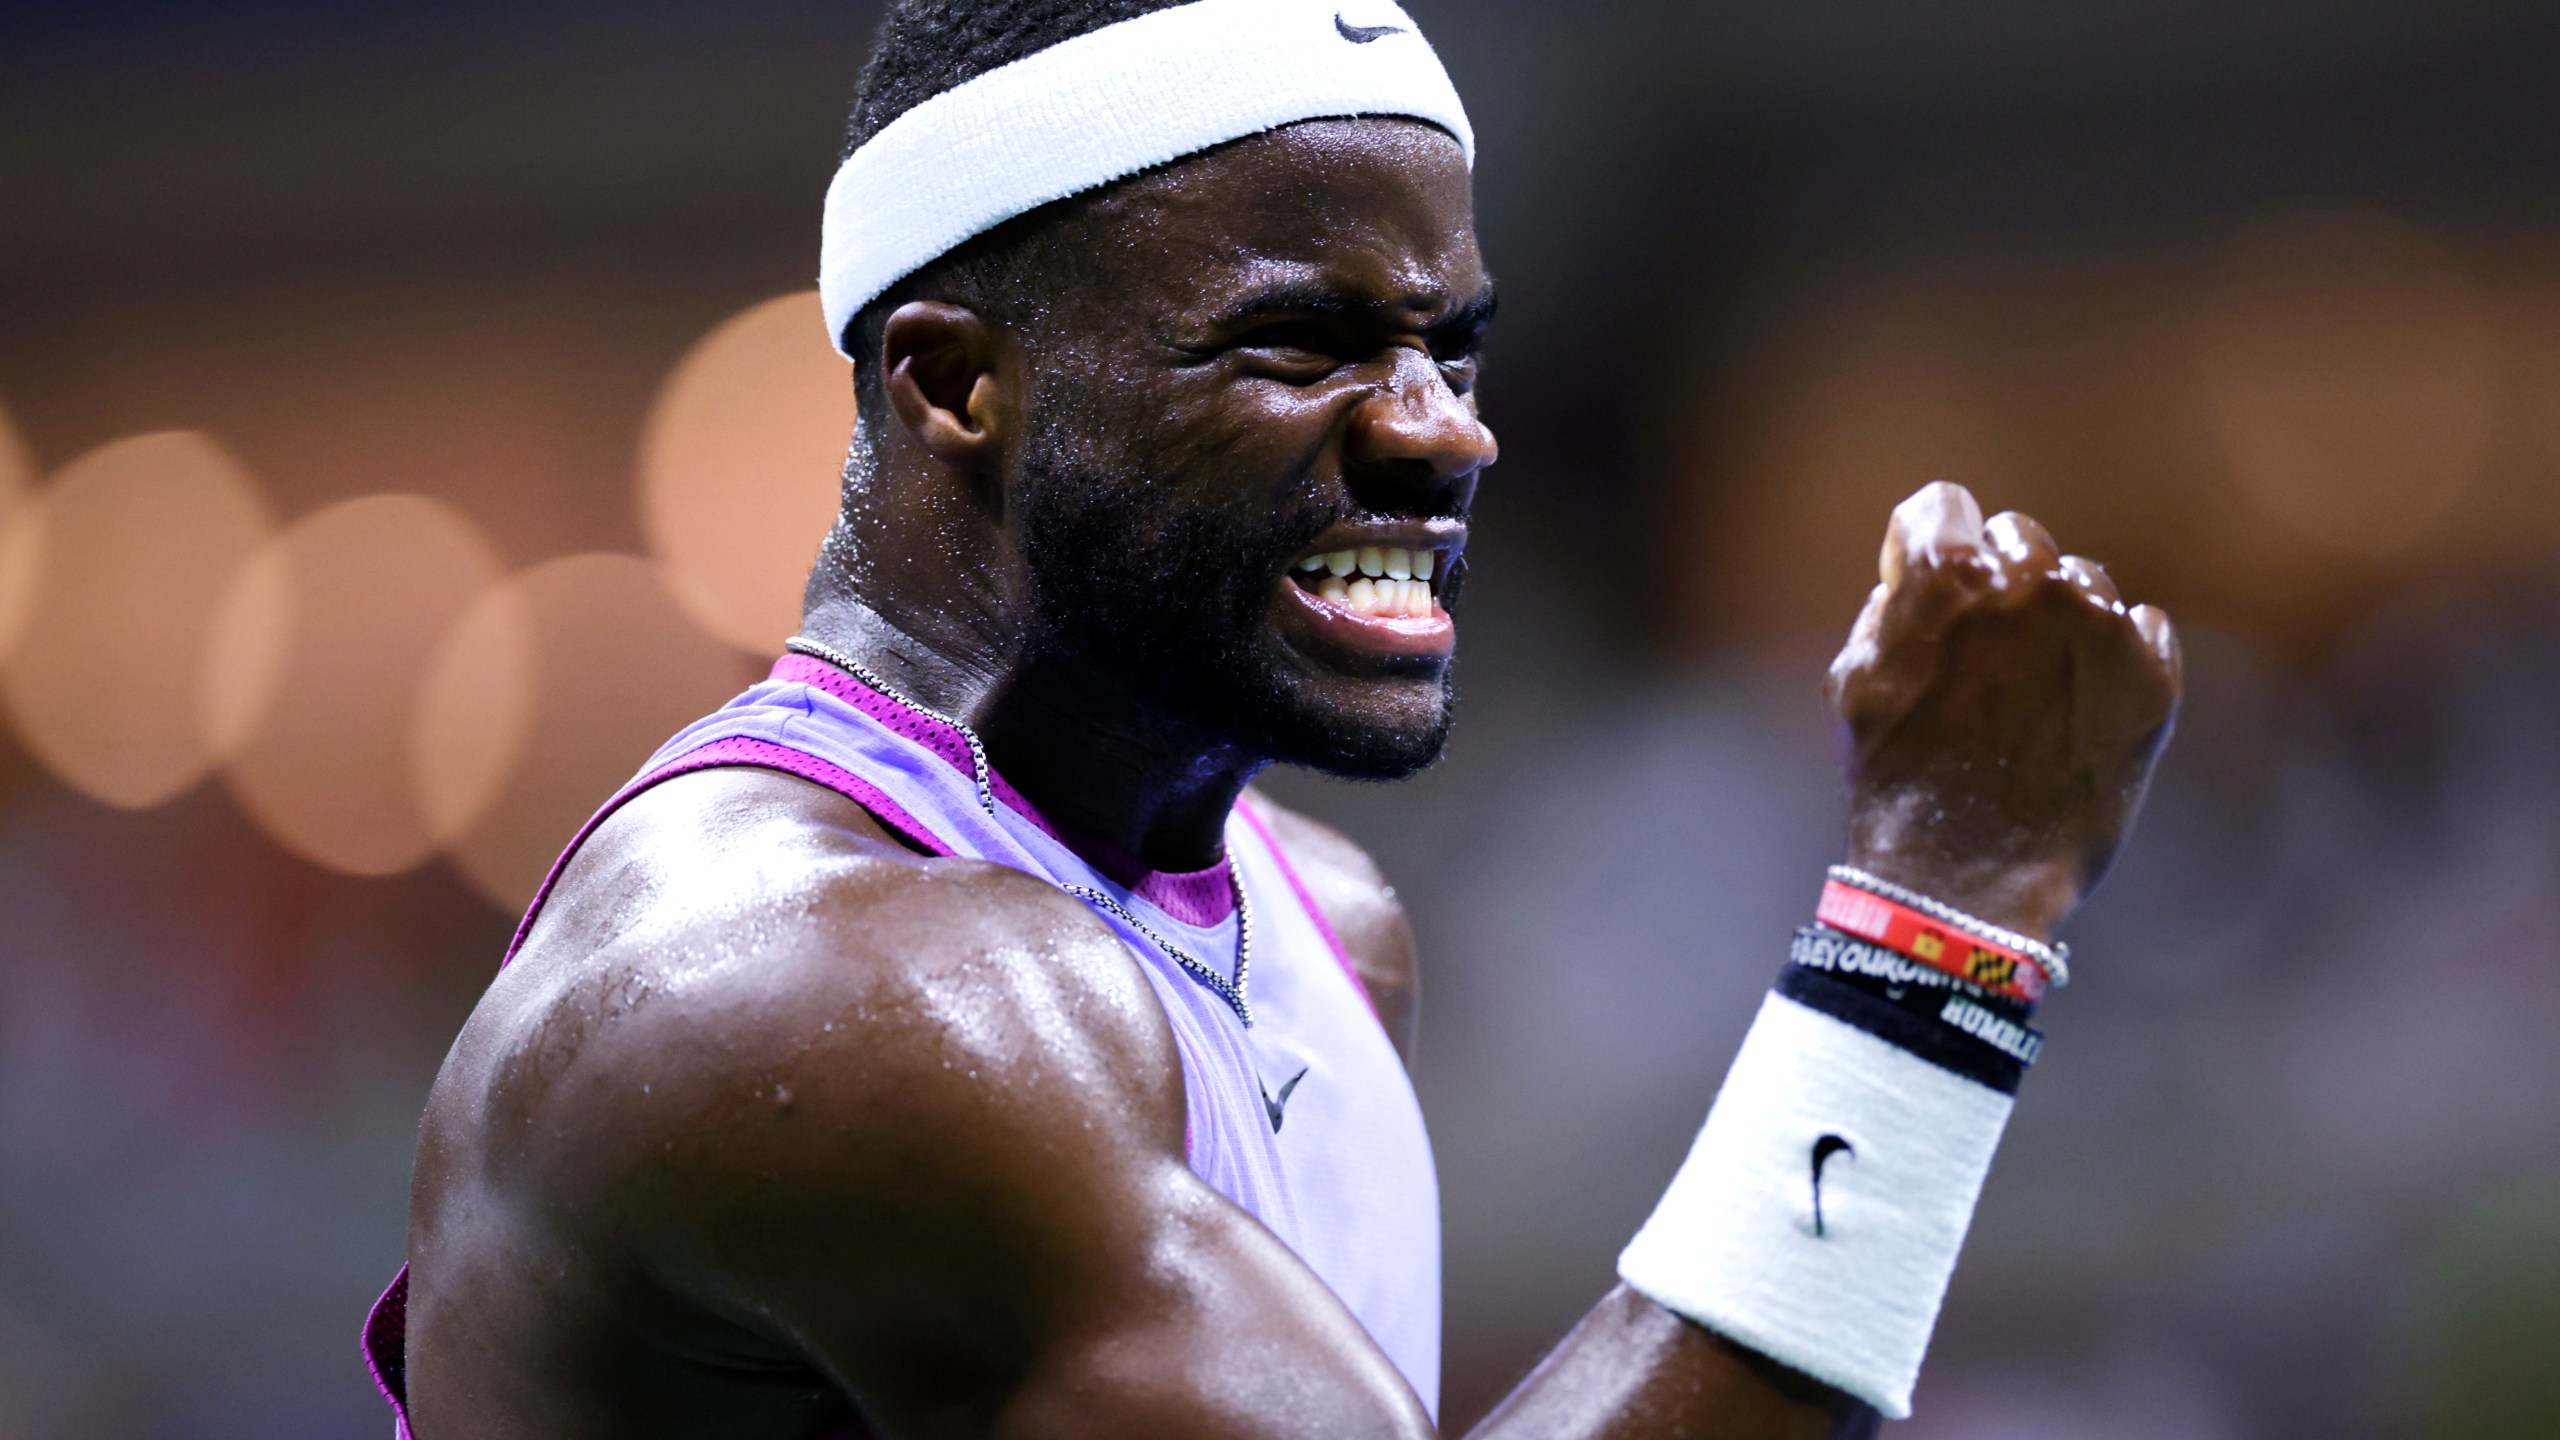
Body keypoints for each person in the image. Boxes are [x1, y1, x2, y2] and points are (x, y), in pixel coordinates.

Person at [365, 1, 2182, 1435]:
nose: (1442, 429)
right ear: (953, 385)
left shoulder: (1319, 924)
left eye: (1450, 346)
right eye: (1302, 344)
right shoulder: (828, 996)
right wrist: (1946, 912)